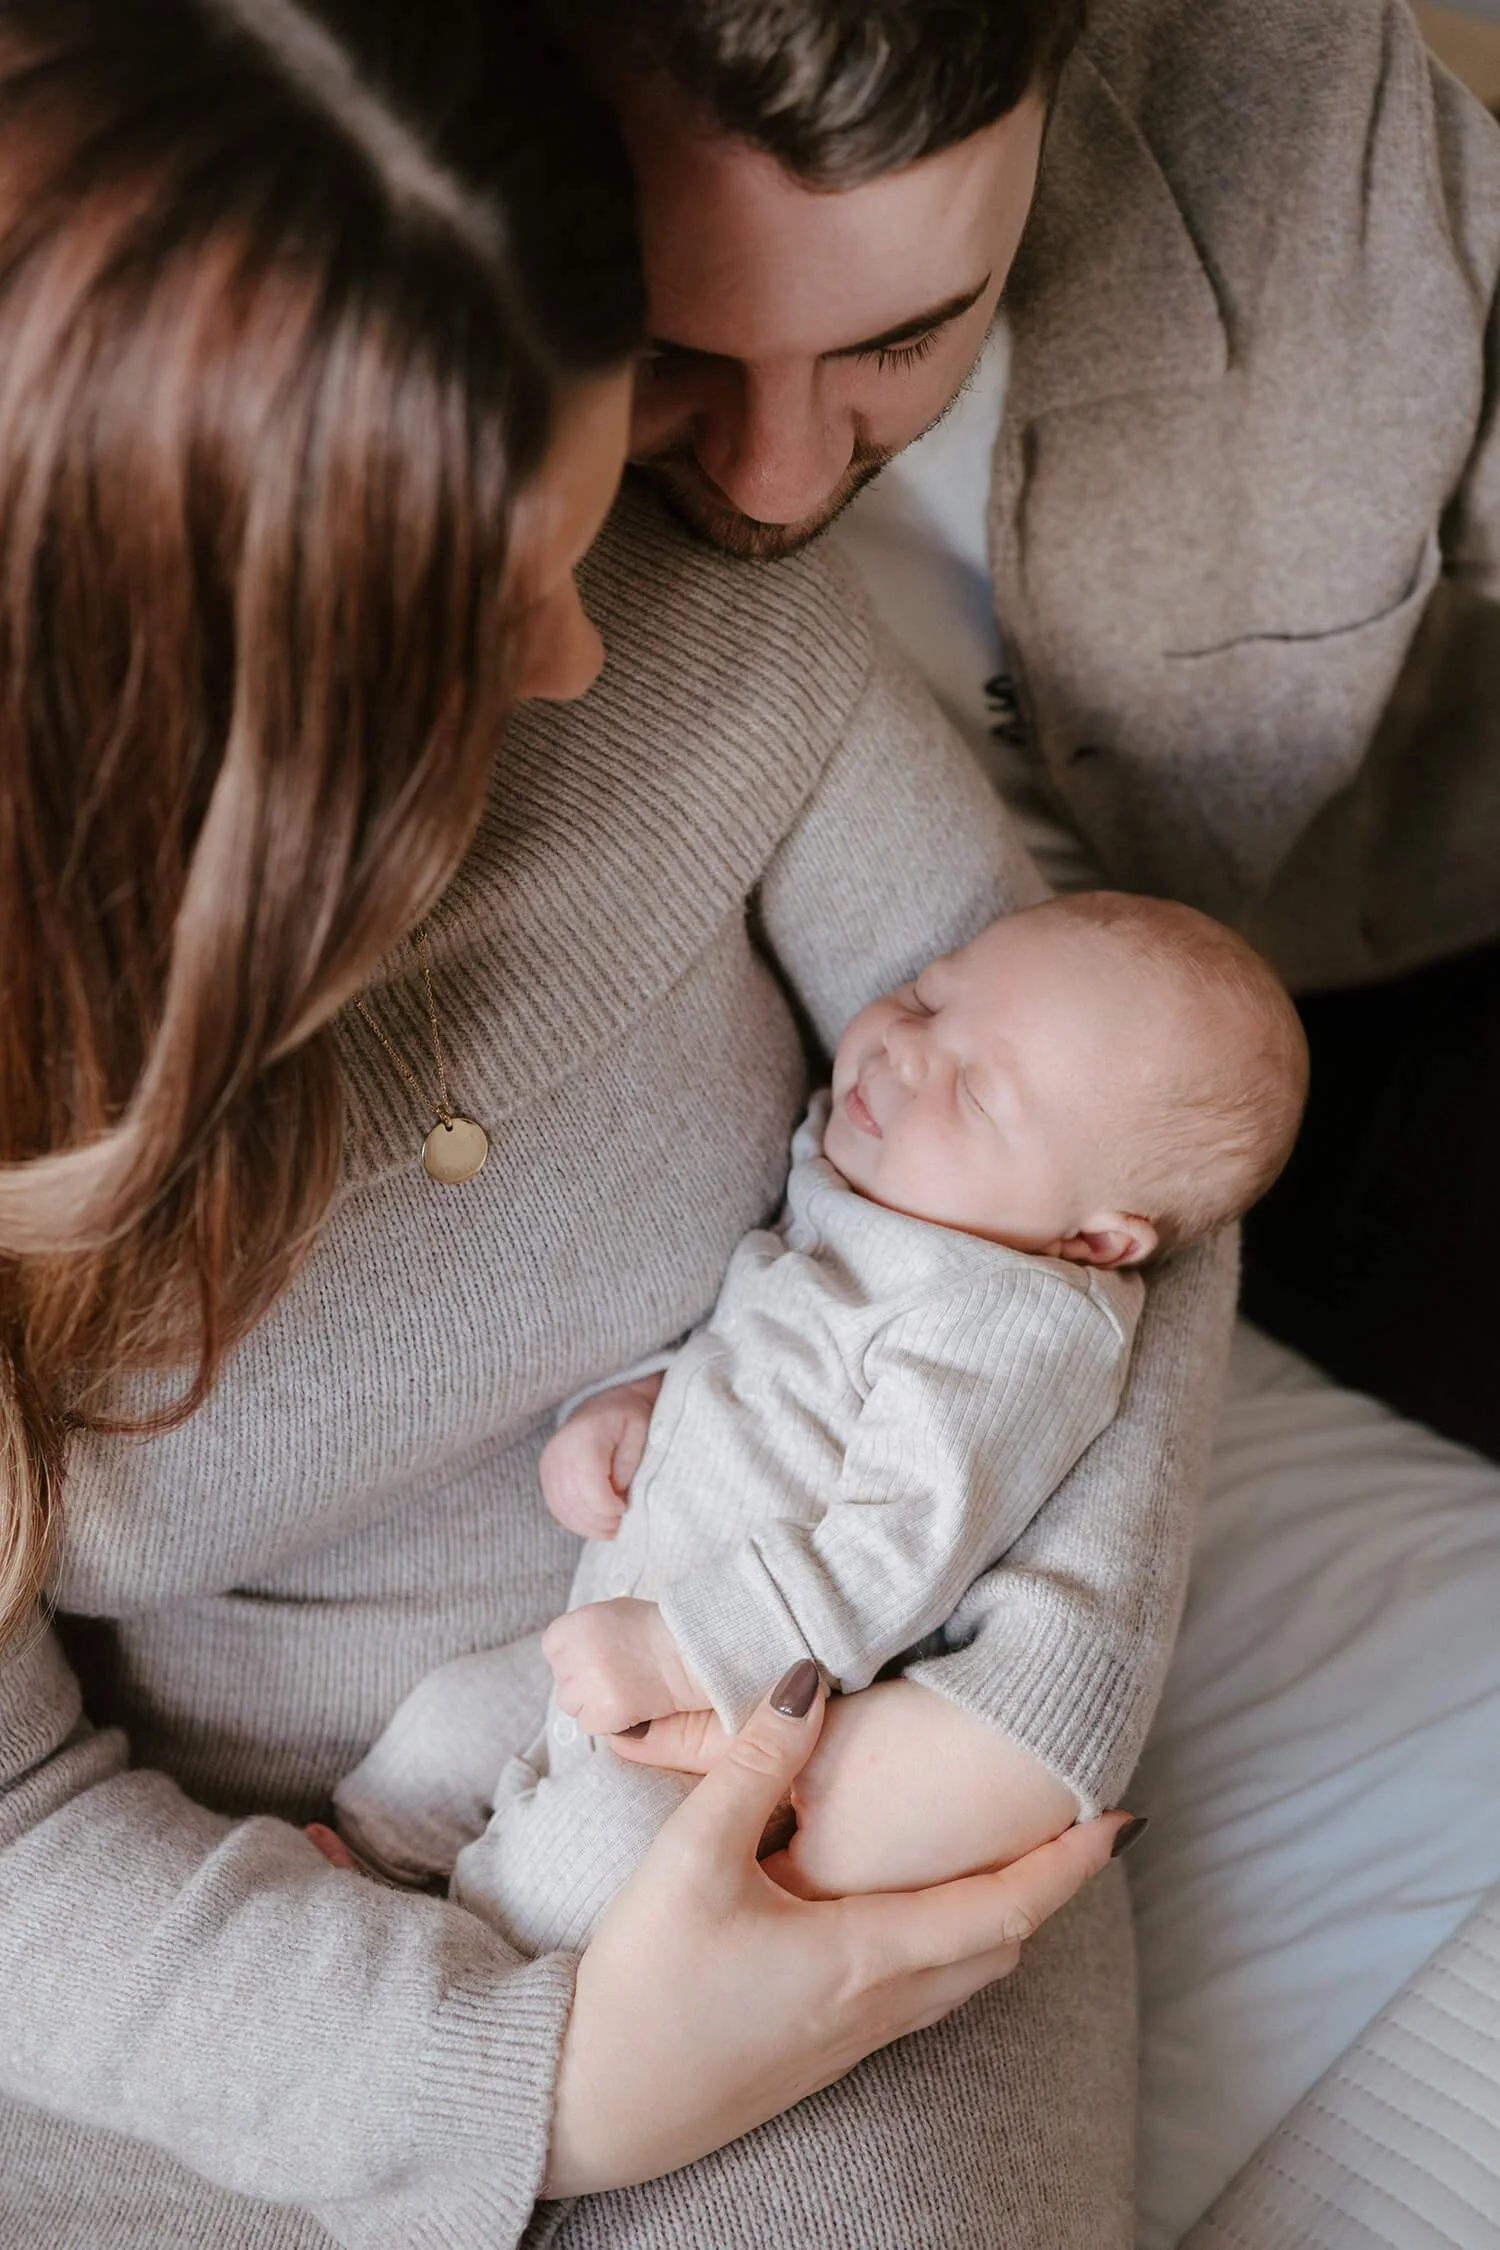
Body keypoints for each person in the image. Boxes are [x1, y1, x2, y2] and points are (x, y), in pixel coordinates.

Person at [0, 4, 1194, 2248]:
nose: (587, 645)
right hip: (210, 1954)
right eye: (491, 605)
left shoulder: (701, 637)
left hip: (809, 1762)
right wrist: (534, 2079)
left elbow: (1108, 1150)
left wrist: (994, 1730)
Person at [529, 0, 1500, 2234]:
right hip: (970, 1132)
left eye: (898, 338)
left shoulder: (1311, 128)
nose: (775, 481)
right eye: (681, 352)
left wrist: (1026, 1710)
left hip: (1351, 932)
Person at [330, 894, 1305, 1960]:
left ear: (1099, 1240)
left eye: (977, 1093)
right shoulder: (868, 1179)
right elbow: (744, 1346)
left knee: (593, 1855)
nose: (905, 1051)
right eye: (930, 993)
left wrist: (685, 1650)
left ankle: (453, 1963)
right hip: (611, 1620)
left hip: (725, 1709)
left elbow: (898, 1551)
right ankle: (364, 1887)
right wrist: (630, 1407)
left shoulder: (1008, 1324)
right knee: (435, 1736)